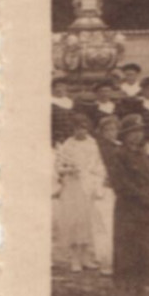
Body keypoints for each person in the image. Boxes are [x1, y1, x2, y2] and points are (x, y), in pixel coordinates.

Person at [106, 115, 149, 291]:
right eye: (133, 132)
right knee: (128, 244)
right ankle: (127, 283)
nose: (137, 136)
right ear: (124, 135)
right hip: (129, 207)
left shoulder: (141, 153)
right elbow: (122, 184)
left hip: (147, 207)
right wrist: (144, 198)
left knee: (146, 243)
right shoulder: (118, 155)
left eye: (140, 131)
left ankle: (143, 280)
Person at [53, 114, 104, 272]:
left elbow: (98, 165)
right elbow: (59, 166)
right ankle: (75, 258)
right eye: (77, 128)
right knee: (74, 221)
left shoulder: (93, 144)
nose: (80, 131)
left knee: (87, 221)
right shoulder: (68, 145)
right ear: (73, 129)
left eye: (83, 127)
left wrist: (92, 177)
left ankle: (85, 257)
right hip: (73, 187)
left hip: (88, 185)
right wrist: (69, 170)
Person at [90, 114, 119, 272]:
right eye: (107, 130)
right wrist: (101, 181)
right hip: (103, 190)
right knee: (104, 226)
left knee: (117, 225)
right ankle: (105, 261)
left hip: (119, 191)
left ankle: (117, 259)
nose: (111, 133)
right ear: (101, 132)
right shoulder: (96, 148)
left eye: (114, 129)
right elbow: (91, 170)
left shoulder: (120, 146)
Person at [51, 78, 78, 145]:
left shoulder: (70, 102)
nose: (60, 89)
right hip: (55, 133)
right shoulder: (50, 101)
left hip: (70, 133)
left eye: (63, 86)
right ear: (53, 88)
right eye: (57, 86)